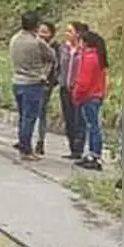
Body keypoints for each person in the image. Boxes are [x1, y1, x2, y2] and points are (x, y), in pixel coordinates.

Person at [8, 11, 56, 161]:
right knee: (30, 117)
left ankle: (22, 143)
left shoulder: (14, 39)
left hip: (17, 80)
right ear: (35, 26)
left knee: (23, 116)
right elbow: (52, 56)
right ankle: (26, 149)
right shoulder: (36, 42)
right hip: (33, 82)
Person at [72, 30, 108, 171]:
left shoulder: (89, 57)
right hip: (96, 95)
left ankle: (94, 155)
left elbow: (84, 80)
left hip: (88, 95)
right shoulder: (98, 57)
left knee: (92, 126)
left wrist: (77, 94)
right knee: (93, 125)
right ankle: (93, 154)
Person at [55, 22, 88, 159]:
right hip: (65, 88)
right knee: (68, 119)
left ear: (78, 33)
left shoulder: (84, 50)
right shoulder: (63, 48)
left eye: (70, 31)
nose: (67, 34)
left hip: (78, 89)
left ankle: (78, 148)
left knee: (79, 119)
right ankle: (72, 147)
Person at [34, 21, 59, 154]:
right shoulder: (33, 44)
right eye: (40, 31)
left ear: (51, 34)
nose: (42, 34)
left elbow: (56, 67)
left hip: (45, 84)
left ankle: (40, 140)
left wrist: (51, 82)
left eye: (45, 31)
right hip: (32, 81)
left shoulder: (54, 48)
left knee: (41, 112)